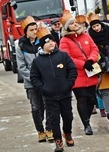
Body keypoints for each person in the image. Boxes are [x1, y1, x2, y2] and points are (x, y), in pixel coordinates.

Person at [30, 24, 77, 152]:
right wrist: (43, 88)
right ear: (42, 45)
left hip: (65, 93)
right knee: (53, 119)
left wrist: (68, 84)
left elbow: (72, 70)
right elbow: (34, 78)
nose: (51, 43)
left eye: (52, 40)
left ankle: (67, 133)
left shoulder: (63, 56)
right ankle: (58, 141)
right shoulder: (37, 61)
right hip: (49, 96)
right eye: (47, 41)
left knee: (68, 117)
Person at [59, 10, 100, 135]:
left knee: (91, 99)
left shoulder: (86, 35)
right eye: (72, 23)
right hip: (77, 75)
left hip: (91, 71)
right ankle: (86, 124)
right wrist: (83, 64)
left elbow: (94, 48)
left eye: (76, 22)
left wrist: (91, 60)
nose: (75, 25)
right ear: (67, 27)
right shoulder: (64, 40)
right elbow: (67, 57)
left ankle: (86, 118)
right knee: (82, 99)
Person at [16, 16, 53, 143]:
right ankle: (40, 131)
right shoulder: (20, 45)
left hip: (44, 81)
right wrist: (33, 79)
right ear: (25, 32)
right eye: (31, 30)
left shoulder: (42, 42)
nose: (34, 32)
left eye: (35, 29)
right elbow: (21, 66)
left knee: (48, 104)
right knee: (36, 107)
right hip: (31, 83)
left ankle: (49, 129)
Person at [87, 11, 109, 126]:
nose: (96, 28)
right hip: (100, 65)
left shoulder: (108, 30)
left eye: (97, 25)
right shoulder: (89, 36)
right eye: (94, 26)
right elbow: (90, 49)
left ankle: (108, 107)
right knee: (105, 91)